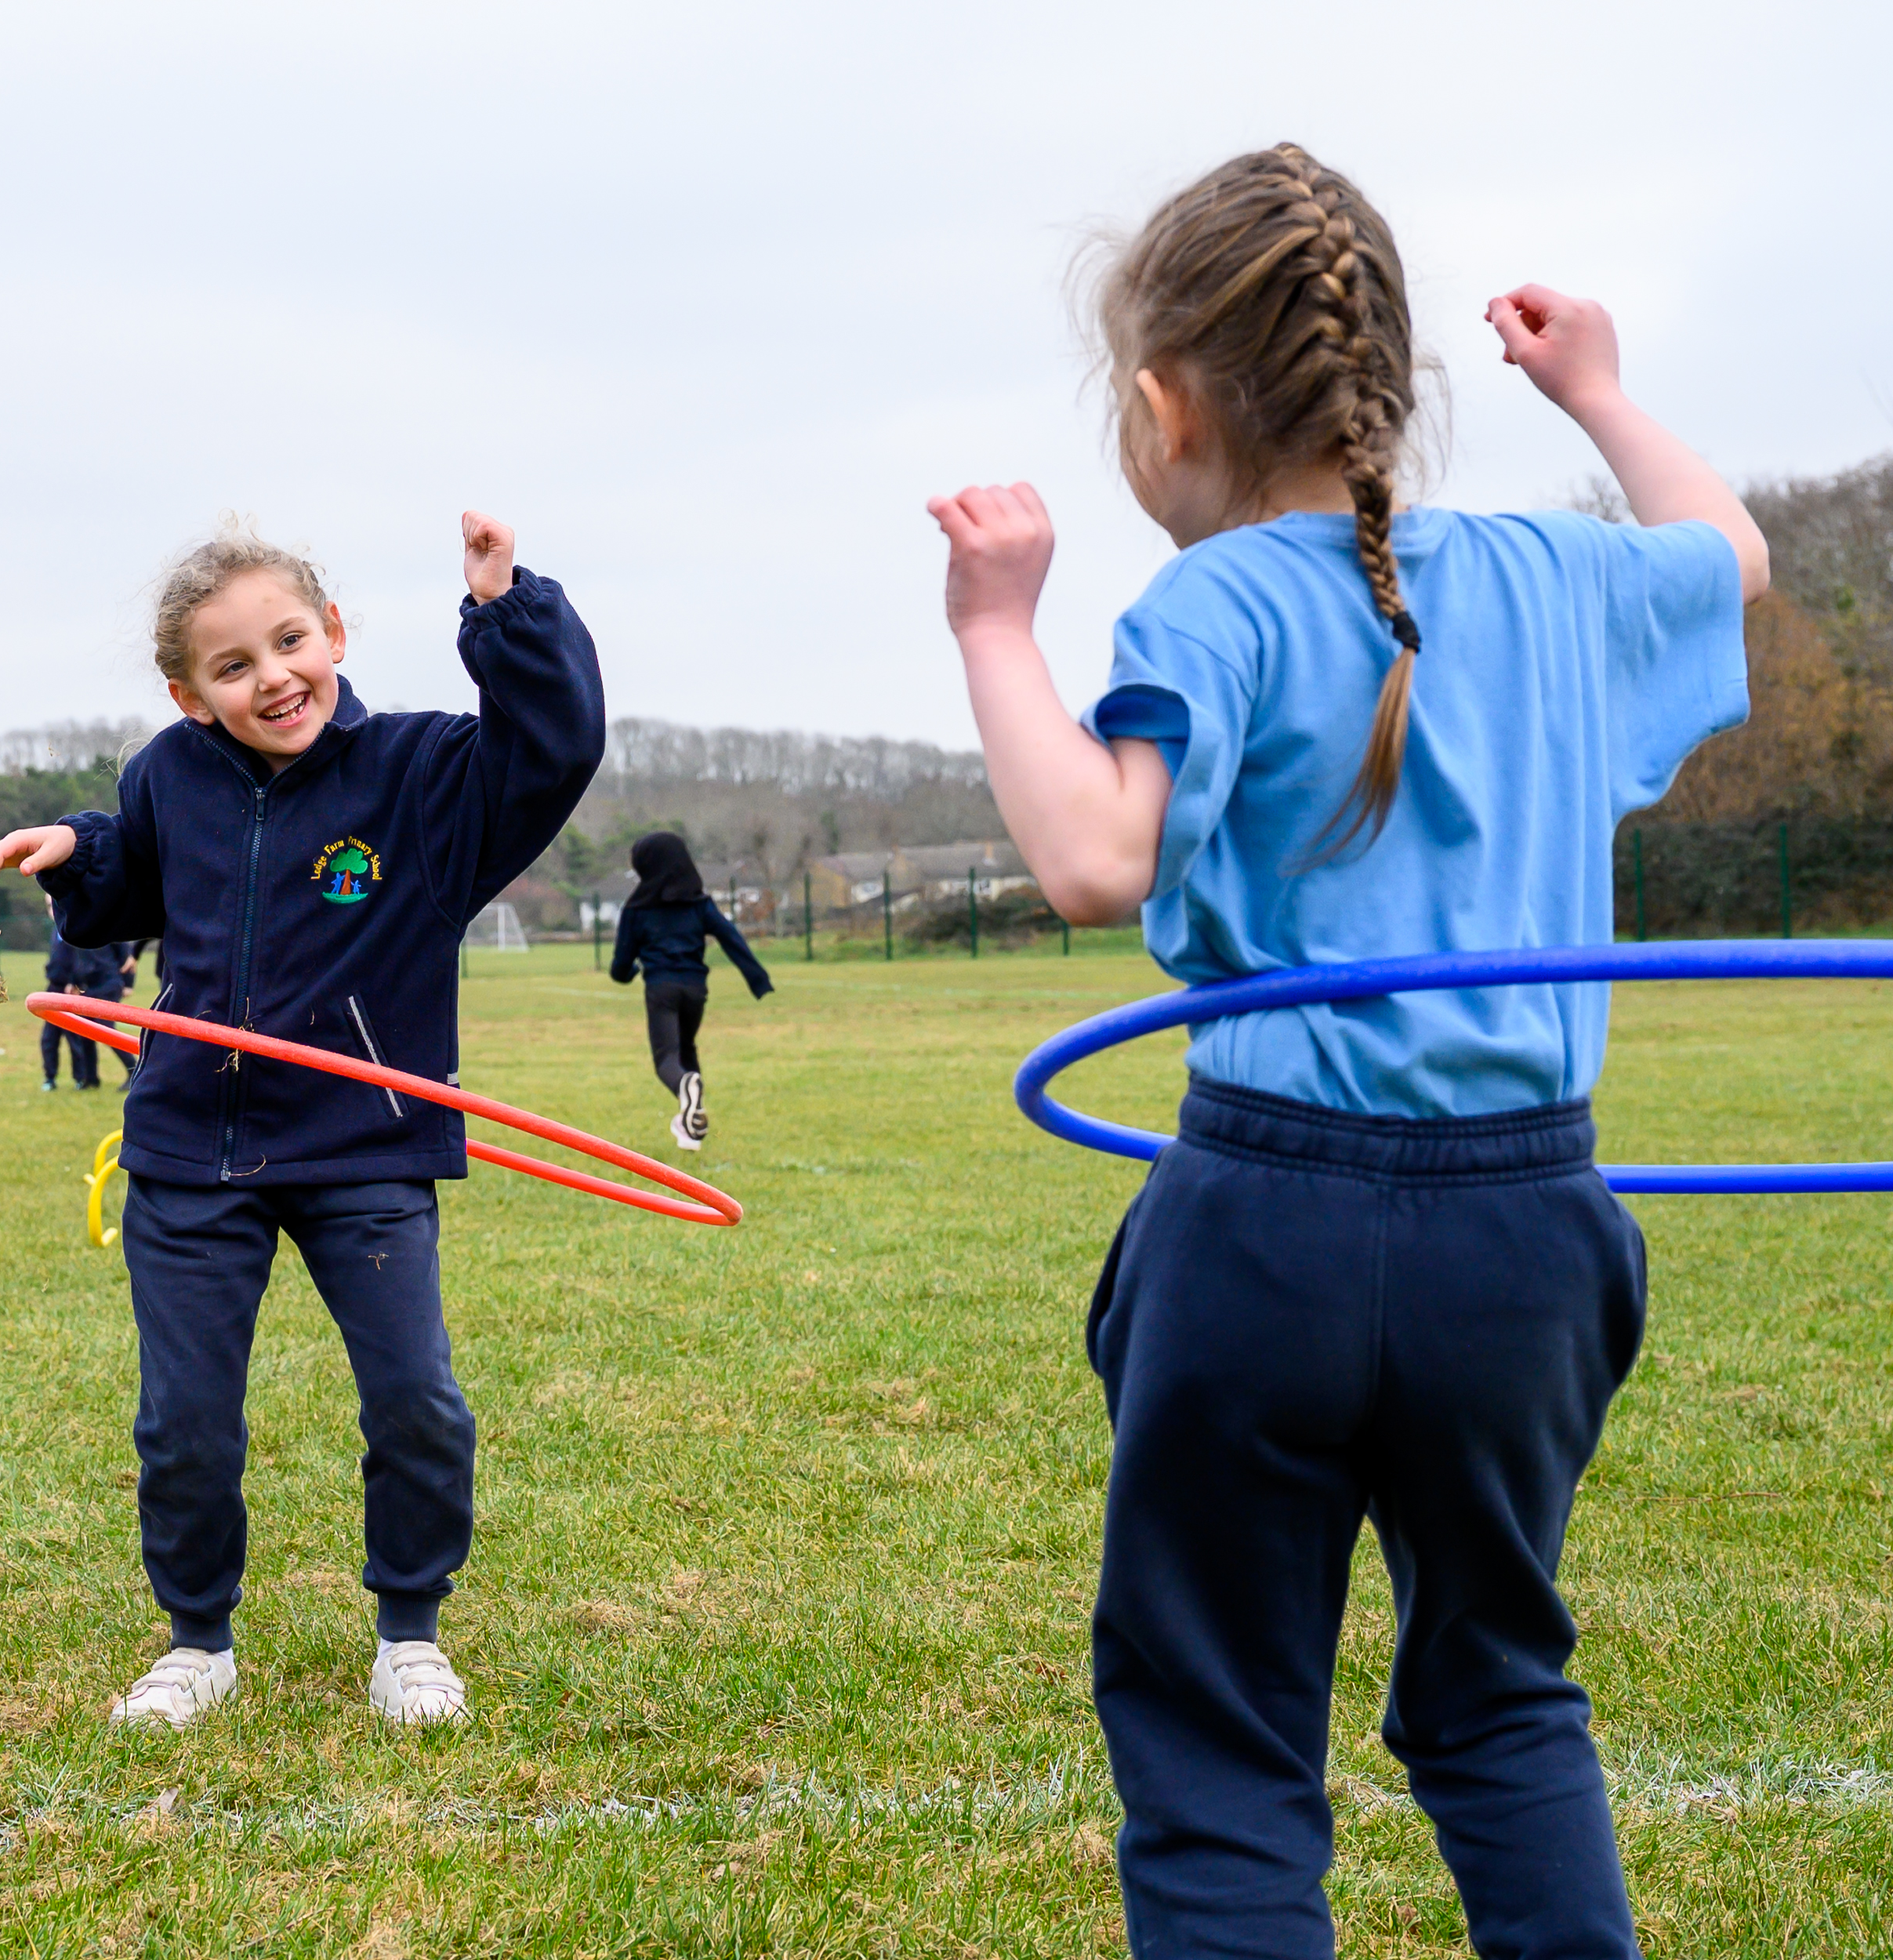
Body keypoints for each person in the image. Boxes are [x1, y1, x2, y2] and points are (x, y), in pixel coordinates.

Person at [928, 146, 1765, 1958]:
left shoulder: (1217, 603)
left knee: (1224, 1740)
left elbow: (1088, 856)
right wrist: (1605, 396)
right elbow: (1733, 556)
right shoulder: (1556, 581)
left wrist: (997, 626)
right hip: (1527, 1238)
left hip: (1267, 1226)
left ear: (1161, 410)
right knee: (1497, 1688)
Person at [0, 513, 602, 1730]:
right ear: (189, 694)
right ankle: (199, 1640)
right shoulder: (168, 773)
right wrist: (73, 849)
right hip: (195, 1145)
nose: (273, 678)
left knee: (418, 1401)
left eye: (290, 642)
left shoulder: (425, 778)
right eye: (234, 666)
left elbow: (554, 747)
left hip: (364, 1144)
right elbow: (132, 874)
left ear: (334, 632)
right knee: (184, 1420)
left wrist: (506, 611)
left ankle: (409, 1633)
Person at [604, 831, 771, 1152]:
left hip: (661, 990)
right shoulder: (700, 904)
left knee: (667, 1059)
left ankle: (684, 1088)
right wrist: (757, 979)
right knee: (687, 1050)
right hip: (696, 991)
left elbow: (621, 963)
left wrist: (628, 973)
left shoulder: (637, 909)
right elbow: (730, 936)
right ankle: (690, 1129)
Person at [38, 908, 137, 1091]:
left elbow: (128, 958)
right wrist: (73, 982)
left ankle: (135, 1072)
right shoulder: (75, 930)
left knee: (106, 1029)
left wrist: (128, 983)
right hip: (90, 986)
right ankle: (90, 1079)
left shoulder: (107, 926)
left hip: (108, 984)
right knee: (86, 1030)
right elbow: (78, 962)